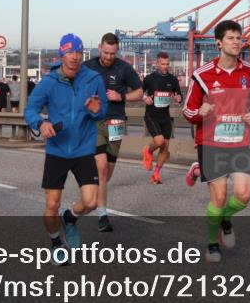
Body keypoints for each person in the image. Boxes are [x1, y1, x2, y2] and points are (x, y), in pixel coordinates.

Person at [183, 20, 250, 263]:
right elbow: (187, 110)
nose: (237, 42)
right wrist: (199, 113)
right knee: (218, 198)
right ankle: (212, 242)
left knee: (244, 195)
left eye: (240, 38)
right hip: (211, 144)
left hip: (239, 142)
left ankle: (226, 218)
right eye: (231, 38)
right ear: (219, 43)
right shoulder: (202, 75)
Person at [24, 34, 106, 260]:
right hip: (57, 149)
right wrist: (41, 123)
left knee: (90, 202)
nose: (75, 57)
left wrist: (98, 110)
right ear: (62, 55)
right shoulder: (49, 82)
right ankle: (55, 242)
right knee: (52, 204)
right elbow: (29, 110)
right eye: (70, 53)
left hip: (84, 148)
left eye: (79, 53)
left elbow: (104, 110)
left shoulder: (93, 79)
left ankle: (69, 217)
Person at [83, 33, 143, 232]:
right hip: (95, 122)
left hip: (116, 122)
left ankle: (94, 191)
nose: (108, 57)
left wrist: (121, 96)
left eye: (112, 53)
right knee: (100, 169)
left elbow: (139, 92)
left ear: (117, 51)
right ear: (100, 47)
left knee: (107, 174)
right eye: (106, 52)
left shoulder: (124, 68)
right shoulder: (89, 66)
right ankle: (103, 215)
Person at [141, 52, 183, 184]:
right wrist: (145, 98)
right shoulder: (149, 78)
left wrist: (178, 98)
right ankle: (148, 150)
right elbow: (138, 91)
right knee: (159, 142)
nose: (165, 66)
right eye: (163, 64)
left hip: (165, 117)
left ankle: (156, 174)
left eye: (167, 64)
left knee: (165, 148)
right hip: (151, 115)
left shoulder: (173, 80)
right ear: (157, 63)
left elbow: (179, 96)